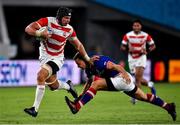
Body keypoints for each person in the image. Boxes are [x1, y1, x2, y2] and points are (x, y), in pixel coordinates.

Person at [65, 52, 176, 121]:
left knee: (97, 84)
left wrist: (124, 74)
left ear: (84, 59)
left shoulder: (98, 61)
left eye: (78, 63)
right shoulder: (88, 69)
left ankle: (77, 107)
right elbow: (88, 83)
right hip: (119, 81)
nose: (78, 66)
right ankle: (169, 107)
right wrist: (80, 95)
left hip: (122, 78)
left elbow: (115, 66)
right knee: (143, 97)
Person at [24, 7, 92, 117]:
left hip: (57, 59)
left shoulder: (69, 30)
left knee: (40, 76)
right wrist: (39, 34)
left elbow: (78, 45)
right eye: (66, 18)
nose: (68, 20)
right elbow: (28, 29)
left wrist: (88, 59)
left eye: (69, 18)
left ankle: (34, 109)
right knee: (53, 85)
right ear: (59, 17)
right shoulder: (47, 22)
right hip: (44, 57)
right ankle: (69, 86)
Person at [120, 19, 156, 104]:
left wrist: (147, 51)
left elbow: (153, 45)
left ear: (141, 26)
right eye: (134, 25)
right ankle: (150, 84)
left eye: (138, 25)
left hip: (141, 57)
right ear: (133, 27)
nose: (136, 27)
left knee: (137, 78)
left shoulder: (145, 35)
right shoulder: (128, 35)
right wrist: (128, 49)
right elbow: (122, 47)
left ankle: (135, 97)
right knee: (137, 79)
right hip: (132, 58)